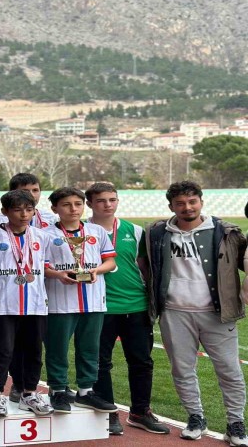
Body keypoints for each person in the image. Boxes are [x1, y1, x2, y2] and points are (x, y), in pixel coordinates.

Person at [147, 181, 247, 444]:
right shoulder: (157, 233)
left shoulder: (226, 231)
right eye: (180, 203)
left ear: (201, 202)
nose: (187, 207)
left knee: (229, 370)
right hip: (174, 313)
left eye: (192, 201)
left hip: (217, 313)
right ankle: (195, 417)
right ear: (171, 206)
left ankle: (235, 423)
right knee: (182, 370)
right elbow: (145, 266)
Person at [85, 182, 169, 436]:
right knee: (100, 363)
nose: (108, 205)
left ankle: (140, 412)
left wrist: (152, 300)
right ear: (90, 204)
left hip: (136, 305)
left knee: (142, 361)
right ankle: (109, 413)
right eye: (101, 200)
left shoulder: (134, 230)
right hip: (100, 307)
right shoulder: (82, 231)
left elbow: (144, 267)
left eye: (112, 199)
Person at [42, 187, 117, 414]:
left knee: (90, 348)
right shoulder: (45, 234)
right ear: (54, 208)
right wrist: (58, 274)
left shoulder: (96, 231)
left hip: (93, 300)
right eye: (66, 204)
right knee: (57, 348)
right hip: (60, 301)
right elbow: (41, 266)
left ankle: (86, 391)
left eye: (77, 204)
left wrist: (96, 270)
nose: (73, 209)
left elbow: (110, 262)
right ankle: (58, 390)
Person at [0, 190, 54, 418]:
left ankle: (29, 393)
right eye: (17, 210)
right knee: (3, 351)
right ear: (4, 212)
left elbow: (45, 266)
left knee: (34, 351)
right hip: (5, 303)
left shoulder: (41, 237)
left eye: (29, 210)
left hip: (36, 304)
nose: (24, 215)